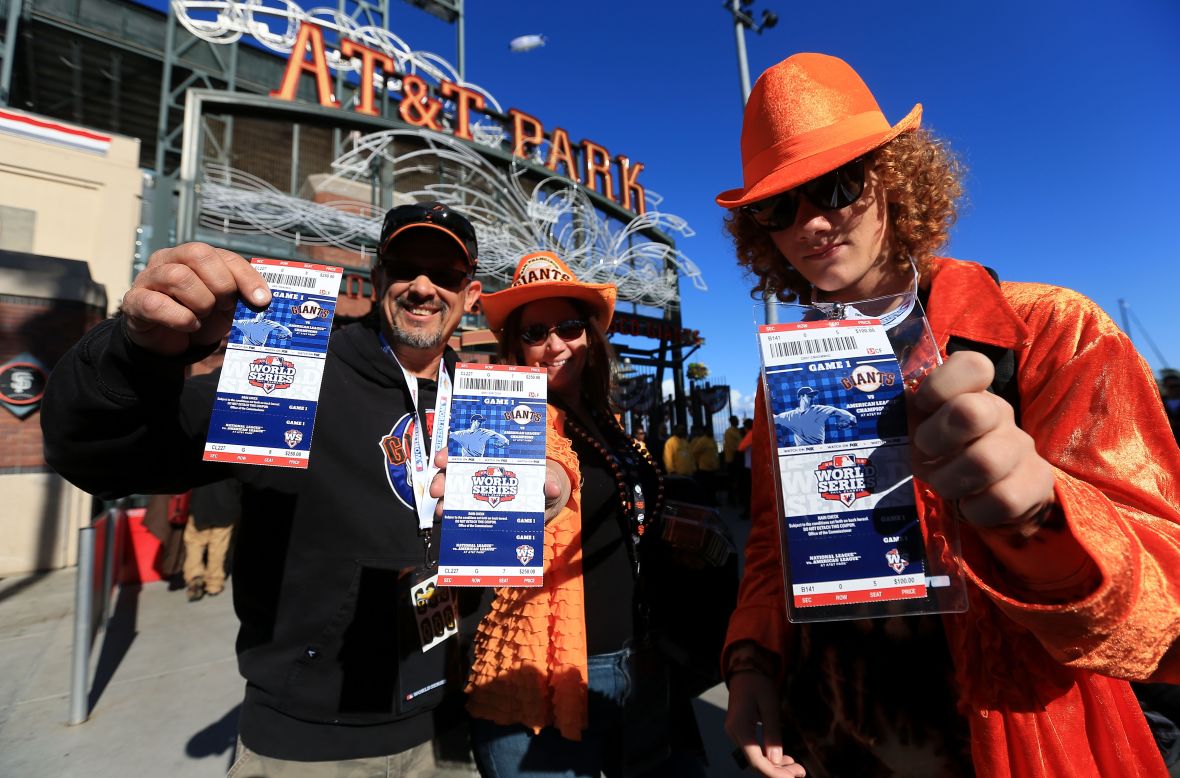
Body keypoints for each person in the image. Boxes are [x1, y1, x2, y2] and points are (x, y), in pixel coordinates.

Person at [715, 53, 1180, 777]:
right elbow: (775, 547)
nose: (811, 222)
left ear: (893, 182)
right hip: (837, 736)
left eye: (836, 184)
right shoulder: (789, 381)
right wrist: (752, 662)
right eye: (779, 207)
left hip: (1017, 741)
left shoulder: (1055, 331)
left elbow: (1165, 605)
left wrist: (1044, 519)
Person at [41, 201, 483, 773]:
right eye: (404, 266)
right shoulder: (295, 375)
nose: (424, 287)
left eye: (445, 274)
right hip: (305, 746)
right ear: (376, 279)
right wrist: (133, 352)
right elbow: (106, 456)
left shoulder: (484, 406)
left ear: (469, 295)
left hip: (448, 731)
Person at [449, 250, 707, 777]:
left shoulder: (604, 419)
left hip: (635, 664)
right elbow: (541, 464)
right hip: (539, 670)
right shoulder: (508, 415)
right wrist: (546, 482)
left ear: (590, 334)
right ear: (515, 347)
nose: (554, 345)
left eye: (568, 327)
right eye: (535, 332)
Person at [183, 477, 240, 601]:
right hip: (225, 507)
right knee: (218, 547)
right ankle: (214, 584)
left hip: (200, 506)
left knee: (194, 544)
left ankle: (195, 577)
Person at [772, 386, 857, 446]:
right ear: (801, 397)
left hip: (819, 450)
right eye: (810, 396)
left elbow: (839, 411)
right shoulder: (790, 416)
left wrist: (851, 417)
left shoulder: (819, 410)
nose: (813, 398)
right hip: (801, 453)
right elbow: (774, 419)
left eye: (813, 396)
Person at [688, 424, 721, 494]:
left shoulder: (712, 440)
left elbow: (715, 453)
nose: (710, 431)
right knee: (707, 487)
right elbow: (694, 452)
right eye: (709, 430)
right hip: (705, 469)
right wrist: (699, 462)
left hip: (713, 468)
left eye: (711, 430)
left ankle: (713, 500)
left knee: (712, 486)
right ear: (705, 431)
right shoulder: (702, 441)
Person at [723, 415, 744, 505]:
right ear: (732, 421)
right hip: (732, 459)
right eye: (736, 420)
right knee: (732, 480)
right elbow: (732, 446)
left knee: (738, 479)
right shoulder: (729, 432)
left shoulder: (738, 431)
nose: (738, 421)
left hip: (738, 458)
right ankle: (731, 499)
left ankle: (737, 498)